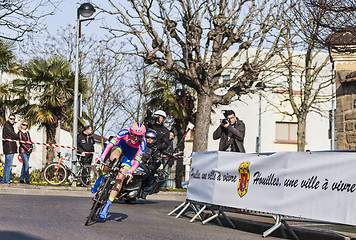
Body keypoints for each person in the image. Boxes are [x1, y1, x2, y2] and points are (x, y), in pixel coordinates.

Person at [91, 122, 146, 219]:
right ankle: (101, 178)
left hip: (130, 155)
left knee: (120, 177)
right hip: (120, 146)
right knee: (113, 158)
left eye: (139, 137)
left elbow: (137, 161)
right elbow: (109, 145)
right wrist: (102, 157)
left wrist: (130, 172)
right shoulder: (124, 132)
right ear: (130, 133)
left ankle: (107, 206)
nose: (136, 139)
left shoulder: (142, 143)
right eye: (134, 136)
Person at [141, 129, 162, 198]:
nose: (149, 140)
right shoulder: (140, 145)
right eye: (148, 138)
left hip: (148, 166)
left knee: (151, 173)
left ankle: (146, 190)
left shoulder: (155, 149)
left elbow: (157, 160)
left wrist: (153, 164)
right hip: (138, 163)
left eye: (152, 138)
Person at [2, 114, 18, 184]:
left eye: (13, 119)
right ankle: (7, 180)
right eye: (11, 119)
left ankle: (4, 180)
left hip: (8, 147)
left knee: (6, 165)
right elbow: (14, 135)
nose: (12, 120)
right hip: (9, 148)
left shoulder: (9, 126)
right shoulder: (7, 126)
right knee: (8, 165)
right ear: (8, 119)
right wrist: (18, 136)